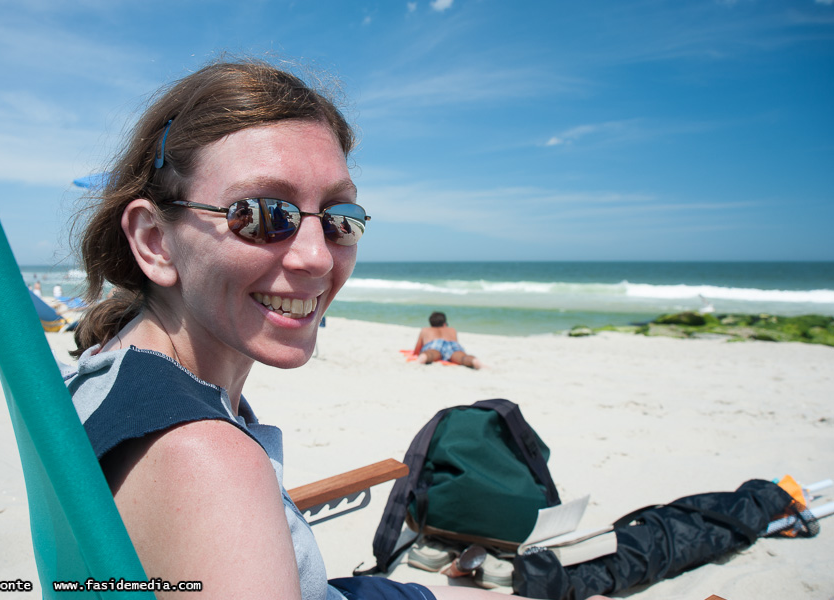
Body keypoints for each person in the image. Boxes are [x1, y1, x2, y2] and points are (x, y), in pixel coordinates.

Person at [65, 60, 560, 600]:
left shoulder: (105, 367)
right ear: (155, 241)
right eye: (260, 214)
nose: (318, 257)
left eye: (338, 218)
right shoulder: (209, 465)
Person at [413, 312, 481, 369]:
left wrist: (420, 353)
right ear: (444, 323)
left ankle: (423, 358)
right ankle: (474, 361)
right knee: (461, 357)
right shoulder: (452, 330)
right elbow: (456, 345)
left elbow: (417, 350)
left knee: (431, 354)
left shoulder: (425, 330)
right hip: (451, 344)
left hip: (435, 343)